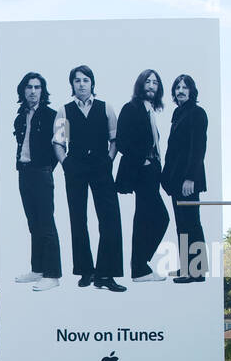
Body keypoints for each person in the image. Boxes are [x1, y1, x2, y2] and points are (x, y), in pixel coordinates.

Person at [58, 65, 125, 293]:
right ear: (72, 85)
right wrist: (66, 163)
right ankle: (86, 271)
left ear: (92, 83)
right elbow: (58, 143)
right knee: (78, 219)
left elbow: (114, 139)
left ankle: (106, 274)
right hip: (75, 166)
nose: (81, 84)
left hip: (101, 165)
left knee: (110, 219)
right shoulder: (64, 110)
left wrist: (109, 159)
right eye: (77, 80)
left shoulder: (106, 108)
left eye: (85, 80)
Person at [12, 73, 65, 291]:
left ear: (42, 91)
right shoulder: (19, 116)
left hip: (42, 172)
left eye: (37, 87)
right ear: (23, 91)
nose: (33, 91)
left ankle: (53, 274)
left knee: (46, 222)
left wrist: (46, 168)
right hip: (23, 172)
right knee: (33, 223)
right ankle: (38, 269)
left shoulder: (56, 116)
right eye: (29, 87)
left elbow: (62, 144)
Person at [115, 69, 169, 284]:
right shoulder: (131, 109)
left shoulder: (151, 112)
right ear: (140, 85)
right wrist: (143, 160)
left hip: (153, 171)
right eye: (148, 81)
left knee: (145, 218)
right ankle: (139, 266)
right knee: (159, 218)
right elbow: (122, 142)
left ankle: (139, 268)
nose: (152, 85)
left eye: (155, 82)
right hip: (141, 170)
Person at [161, 74, 209, 283]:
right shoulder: (178, 113)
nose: (180, 90)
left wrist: (190, 178)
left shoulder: (197, 113)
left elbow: (198, 148)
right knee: (182, 224)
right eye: (177, 87)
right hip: (176, 180)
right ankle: (186, 268)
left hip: (188, 180)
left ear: (192, 91)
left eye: (185, 87)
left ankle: (196, 271)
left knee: (191, 222)